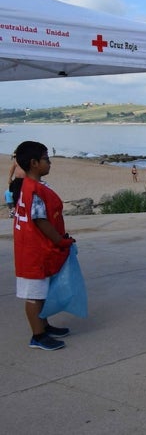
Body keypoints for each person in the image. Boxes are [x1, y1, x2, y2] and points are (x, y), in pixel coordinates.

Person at [13, 141, 75, 351]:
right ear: (34, 163)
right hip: (33, 253)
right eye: (46, 159)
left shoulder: (30, 187)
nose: (50, 163)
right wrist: (61, 240)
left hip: (35, 251)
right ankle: (37, 336)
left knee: (41, 293)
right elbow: (41, 221)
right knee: (34, 295)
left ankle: (44, 325)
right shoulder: (34, 191)